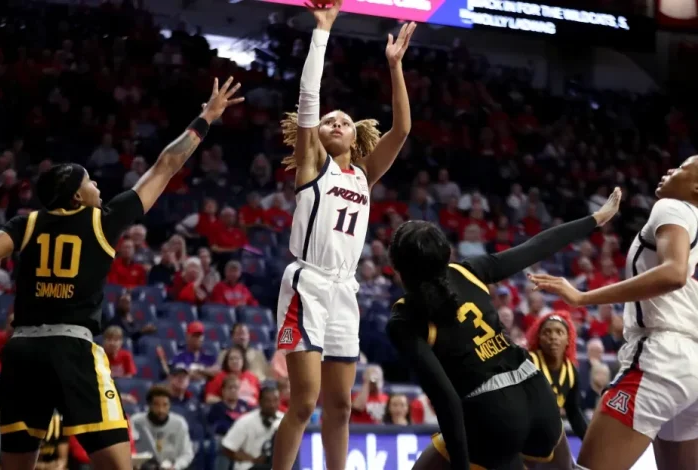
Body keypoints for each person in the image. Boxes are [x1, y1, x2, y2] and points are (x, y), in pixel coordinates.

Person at [0, 77, 243, 470]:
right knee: (119, 466)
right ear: (76, 196)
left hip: (22, 352)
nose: (96, 186)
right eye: (89, 181)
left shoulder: (26, 224)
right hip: (72, 350)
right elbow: (166, 165)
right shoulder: (102, 221)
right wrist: (206, 116)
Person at [271, 0, 415, 467]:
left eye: (345, 121)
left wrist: (395, 67)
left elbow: (403, 128)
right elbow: (308, 98)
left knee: (340, 405)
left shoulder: (363, 175)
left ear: (356, 137)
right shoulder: (314, 166)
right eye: (330, 120)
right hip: (307, 284)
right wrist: (322, 31)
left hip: (344, 290)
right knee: (304, 401)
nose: (336, 123)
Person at [385, 188, 620, 470]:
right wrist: (595, 218)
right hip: (536, 390)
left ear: (397, 266)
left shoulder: (404, 318)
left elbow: (447, 401)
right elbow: (536, 247)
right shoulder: (467, 270)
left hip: (494, 412)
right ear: (445, 255)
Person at [529, 156, 698, 470]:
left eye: (682, 167)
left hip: (662, 358)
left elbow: (673, 274)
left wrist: (582, 297)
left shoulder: (673, 207)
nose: (671, 170)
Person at [525, 311, 587, 439]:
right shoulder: (527, 361)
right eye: (547, 332)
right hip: (522, 432)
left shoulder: (571, 370)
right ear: (539, 339)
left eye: (559, 332)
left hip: (549, 433)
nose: (553, 337)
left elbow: (573, 412)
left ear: (568, 340)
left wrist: (589, 441)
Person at [131, 386, 194, 470]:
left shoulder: (179, 423)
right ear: (149, 405)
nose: (161, 410)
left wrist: (175, 467)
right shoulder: (136, 421)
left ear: (170, 405)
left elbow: (187, 453)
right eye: (156, 405)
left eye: (165, 405)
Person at [222, 386, 283, 470]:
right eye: (268, 401)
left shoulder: (284, 420)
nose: (272, 405)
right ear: (260, 402)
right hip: (248, 467)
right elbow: (228, 447)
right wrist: (252, 459)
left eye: (275, 400)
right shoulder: (246, 421)